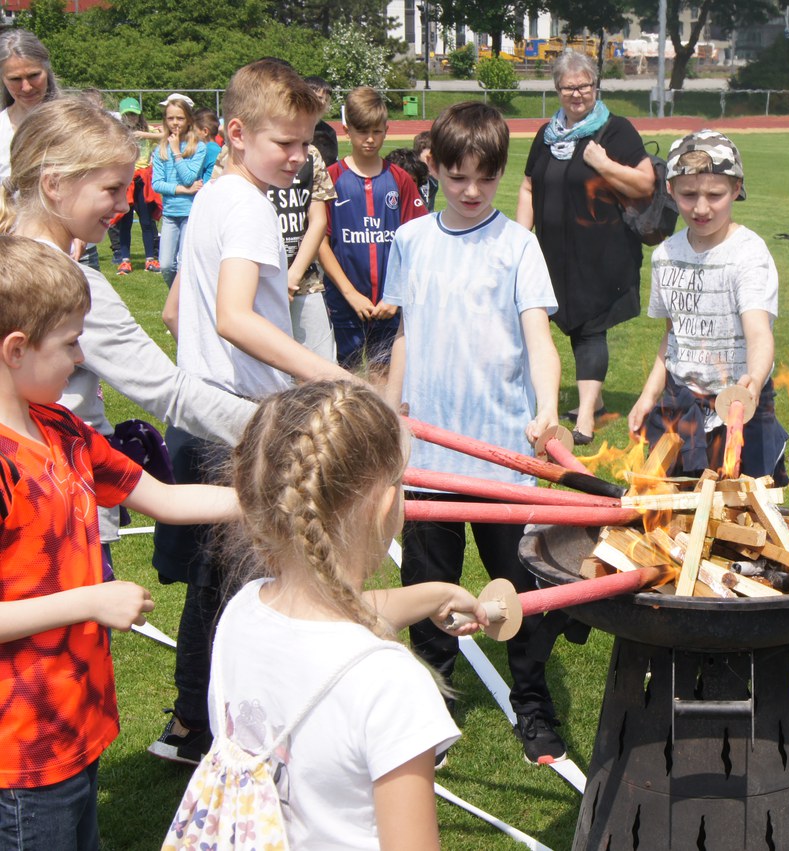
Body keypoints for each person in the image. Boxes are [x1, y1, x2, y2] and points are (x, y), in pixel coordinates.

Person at [0, 234, 239, 851]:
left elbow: (164, 499)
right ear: (16, 349)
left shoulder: (63, 429)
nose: (82, 357)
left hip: (75, 723)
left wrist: (275, 500)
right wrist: (89, 601)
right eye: (71, 344)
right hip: (19, 753)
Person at [151, 59, 351, 766]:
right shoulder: (244, 205)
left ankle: (189, 726)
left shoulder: (213, 193)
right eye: (286, 144)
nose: (300, 158)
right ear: (236, 133)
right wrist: (332, 380)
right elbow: (235, 317)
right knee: (245, 592)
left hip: (209, 416)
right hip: (235, 427)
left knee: (214, 586)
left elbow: (179, 309)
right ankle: (230, 738)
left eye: (306, 143)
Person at [202, 379, 487, 849]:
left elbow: (325, 623)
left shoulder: (242, 611)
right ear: (387, 506)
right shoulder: (392, 684)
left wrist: (432, 594)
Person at [383, 101, 568, 765]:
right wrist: (392, 419)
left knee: (521, 591)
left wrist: (546, 405)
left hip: (501, 458)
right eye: (455, 176)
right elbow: (405, 334)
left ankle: (533, 706)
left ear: (499, 173)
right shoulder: (411, 242)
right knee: (429, 593)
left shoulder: (518, 246)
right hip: (430, 458)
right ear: (432, 165)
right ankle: (429, 706)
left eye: (484, 179)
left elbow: (538, 338)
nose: (469, 191)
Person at [0, 97, 255, 554]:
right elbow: (169, 392)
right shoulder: (67, 285)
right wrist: (283, 429)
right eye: (111, 188)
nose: (123, 204)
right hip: (61, 511)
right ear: (54, 184)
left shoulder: (10, 262)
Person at [627, 130, 789, 484]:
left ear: (735, 189)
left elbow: (759, 333)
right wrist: (647, 396)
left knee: (743, 520)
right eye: (688, 195)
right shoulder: (665, 256)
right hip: (680, 405)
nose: (701, 208)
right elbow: (672, 337)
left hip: (740, 406)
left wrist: (755, 381)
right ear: (670, 190)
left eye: (715, 195)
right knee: (670, 513)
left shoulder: (748, 255)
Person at [517, 50, 655, 445]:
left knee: (591, 328)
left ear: (596, 86)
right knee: (561, 325)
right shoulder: (547, 135)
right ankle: (574, 402)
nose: (577, 94)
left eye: (584, 86)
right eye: (568, 87)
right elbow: (529, 186)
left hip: (602, 251)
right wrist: (520, 239)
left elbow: (645, 184)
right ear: (557, 90)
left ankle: (586, 421)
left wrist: (604, 163)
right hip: (554, 251)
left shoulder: (616, 130)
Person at [318, 86, 425, 371]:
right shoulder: (331, 179)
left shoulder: (400, 179)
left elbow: (417, 240)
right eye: (362, 131)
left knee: (386, 378)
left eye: (377, 132)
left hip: (389, 306)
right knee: (344, 378)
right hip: (344, 302)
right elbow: (320, 243)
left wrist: (396, 294)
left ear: (387, 130)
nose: (369, 139)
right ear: (346, 130)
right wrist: (350, 293)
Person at [271, 138, 337, 362]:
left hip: (305, 281)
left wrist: (293, 276)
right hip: (257, 282)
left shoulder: (310, 154)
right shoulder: (240, 151)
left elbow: (318, 221)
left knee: (322, 367)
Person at [152, 93, 207, 287]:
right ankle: (176, 301)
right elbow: (157, 184)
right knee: (166, 265)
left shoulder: (198, 147)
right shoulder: (160, 150)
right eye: (170, 118)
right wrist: (184, 190)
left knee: (184, 264)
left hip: (190, 213)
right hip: (170, 214)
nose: (175, 122)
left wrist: (176, 152)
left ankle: (182, 304)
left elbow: (189, 177)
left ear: (189, 119)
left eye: (180, 118)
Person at [110, 97, 163, 276]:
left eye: (135, 114)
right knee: (125, 221)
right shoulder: (118, 132)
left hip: (144, 180)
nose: (132, 118)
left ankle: (150, 259)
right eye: (129, 114)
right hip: (127, 180)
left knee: (147, 221)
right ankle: (125, 260)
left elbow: (167, 136)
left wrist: (145, 135)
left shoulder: (147, 130)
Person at [0, 29, 58, 182]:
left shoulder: (75, 124)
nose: (26, 87)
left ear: (46, 70)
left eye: (33, 75)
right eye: (15, 79)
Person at [303, 75, 338, 167]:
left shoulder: (329, 133)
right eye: (319, 98)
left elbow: (331, 166)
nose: (323, 103)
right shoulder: (287, 127)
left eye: (326, 99)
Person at [412, 129, 439, 211]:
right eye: (428, 159)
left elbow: (429, 209)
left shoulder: (433, 180)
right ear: (417, 156)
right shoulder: (410, 179)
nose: (433, 163)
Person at [192, 107, 220, 184]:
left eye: (194, 131)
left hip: (205, 190)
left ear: (205, 131)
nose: (192, 134)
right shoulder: (216, 148)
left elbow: (191, 175)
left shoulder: (205, 150)